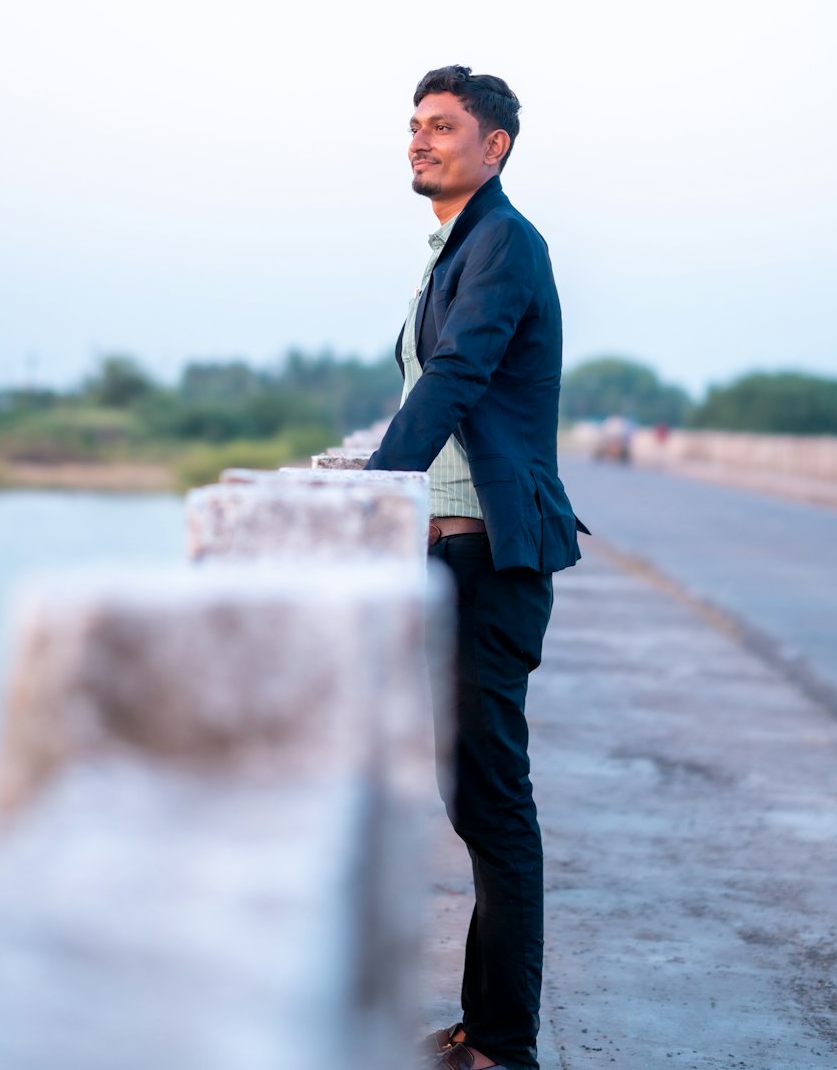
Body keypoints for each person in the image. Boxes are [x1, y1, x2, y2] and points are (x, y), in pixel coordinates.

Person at [365, 66, 587, 1070]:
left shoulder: (504, 242)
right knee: (471, 795)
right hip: (450, 554)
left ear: (493, 146)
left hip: (489, 558)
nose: (420, 140)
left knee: (494, 803)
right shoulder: (458, 246)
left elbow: (456, 375)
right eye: (414, 125)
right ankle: (480, 1023)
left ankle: (504, 1045)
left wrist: (373, 489)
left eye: (442, 126)